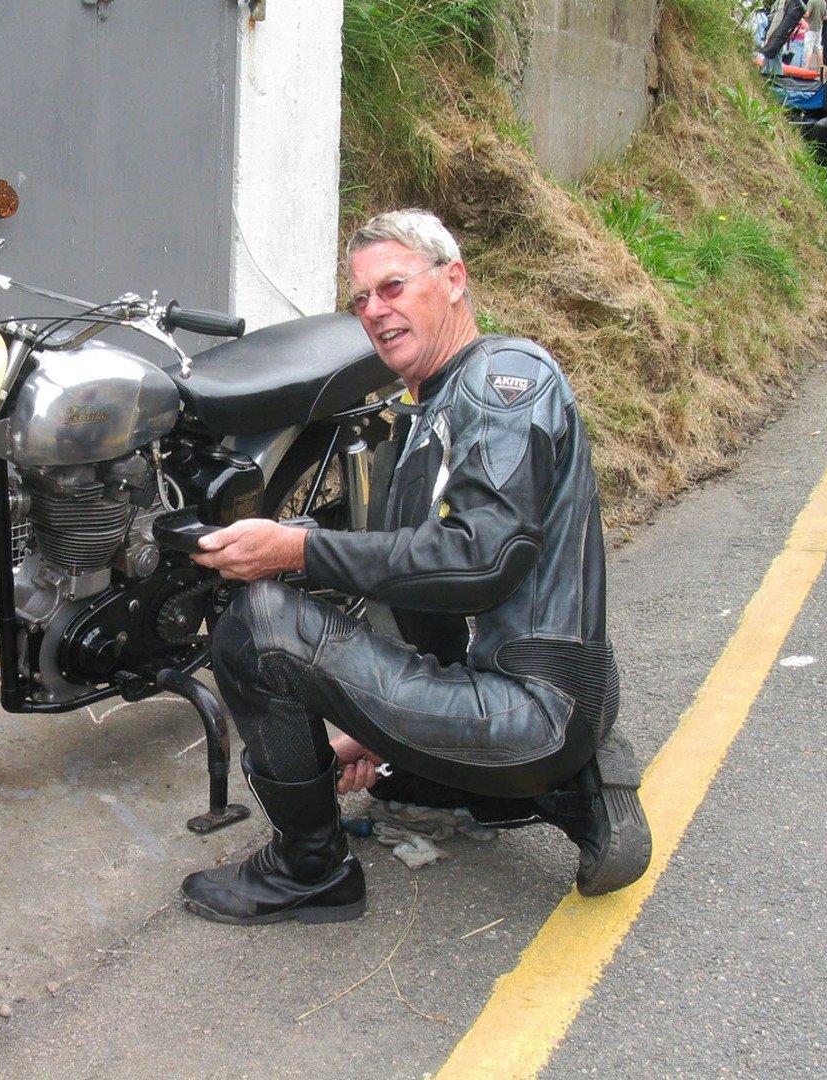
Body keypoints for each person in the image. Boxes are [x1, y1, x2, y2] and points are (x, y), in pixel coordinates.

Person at [179, 209, 652, 925]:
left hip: (529, 705)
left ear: (453, 279)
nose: (374, 310)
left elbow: (483, 558)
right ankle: (570, 792)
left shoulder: (502, 380)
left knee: (260, 624)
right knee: (394, 785)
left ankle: (311, 870)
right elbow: (417, 587)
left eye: (393, 286)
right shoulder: (431, 409)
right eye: (361, 298)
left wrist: (294, 550)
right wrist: (372, 727)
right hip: (516, 687)